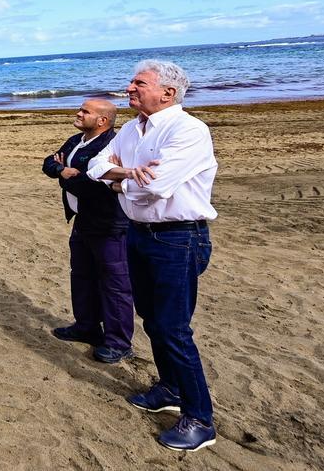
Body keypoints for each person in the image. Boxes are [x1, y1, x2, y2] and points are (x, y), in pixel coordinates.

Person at [86, 60, 218, 453]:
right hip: (139, 234)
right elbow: (94, 165)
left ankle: (200, 419)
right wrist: (128, 175)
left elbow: (157, 187)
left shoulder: (189, 130)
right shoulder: (130, 129)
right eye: (131, 82)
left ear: (168, 93)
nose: (129, 88)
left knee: (174, 328)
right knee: (152, 321)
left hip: (178, 239)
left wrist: (117, 182)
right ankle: (170, 387)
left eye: (139, 83)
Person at [42, 99, 133, 363]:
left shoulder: (110, 145)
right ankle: (87, 327)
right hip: (82, 220)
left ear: (103, 120)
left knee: (114, 284)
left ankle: (118, 342)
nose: (78, 113)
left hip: (108, 224)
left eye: (85, 111)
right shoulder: (75, 140)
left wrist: (71, 177)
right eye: (80, 109)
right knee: (81, 275)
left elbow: (95, 185)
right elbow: (49, 163)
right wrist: (61, 169)